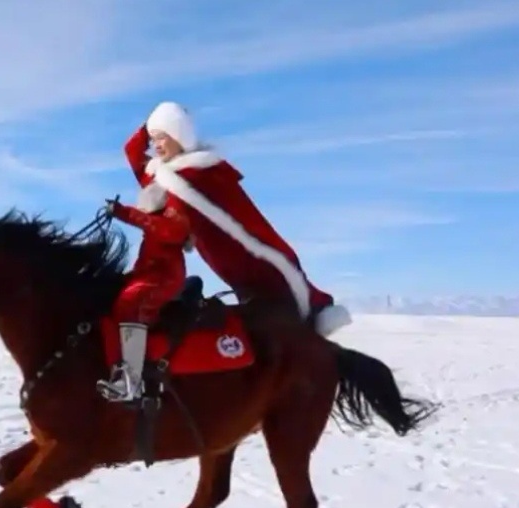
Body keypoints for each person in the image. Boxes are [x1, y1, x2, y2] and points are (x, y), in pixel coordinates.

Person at [121, 101, 352, 336]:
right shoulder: (164, 175)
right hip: (218, 255)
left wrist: (125, 213)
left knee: (274, 293)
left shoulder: (200, 174)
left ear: (179, 136)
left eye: (161, 137)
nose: (155, 145)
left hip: (238, 251)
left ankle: (312, 316)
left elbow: (242, 220)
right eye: (153, 139)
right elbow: (131, 151)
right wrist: (151, 123)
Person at [95, 186, 192, 404]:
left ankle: (132, 382)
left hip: (164, 278)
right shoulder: (158, 215)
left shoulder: (173, 218)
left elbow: (167, 231)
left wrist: (124, 212)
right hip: (148, 275)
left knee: (129, 302)